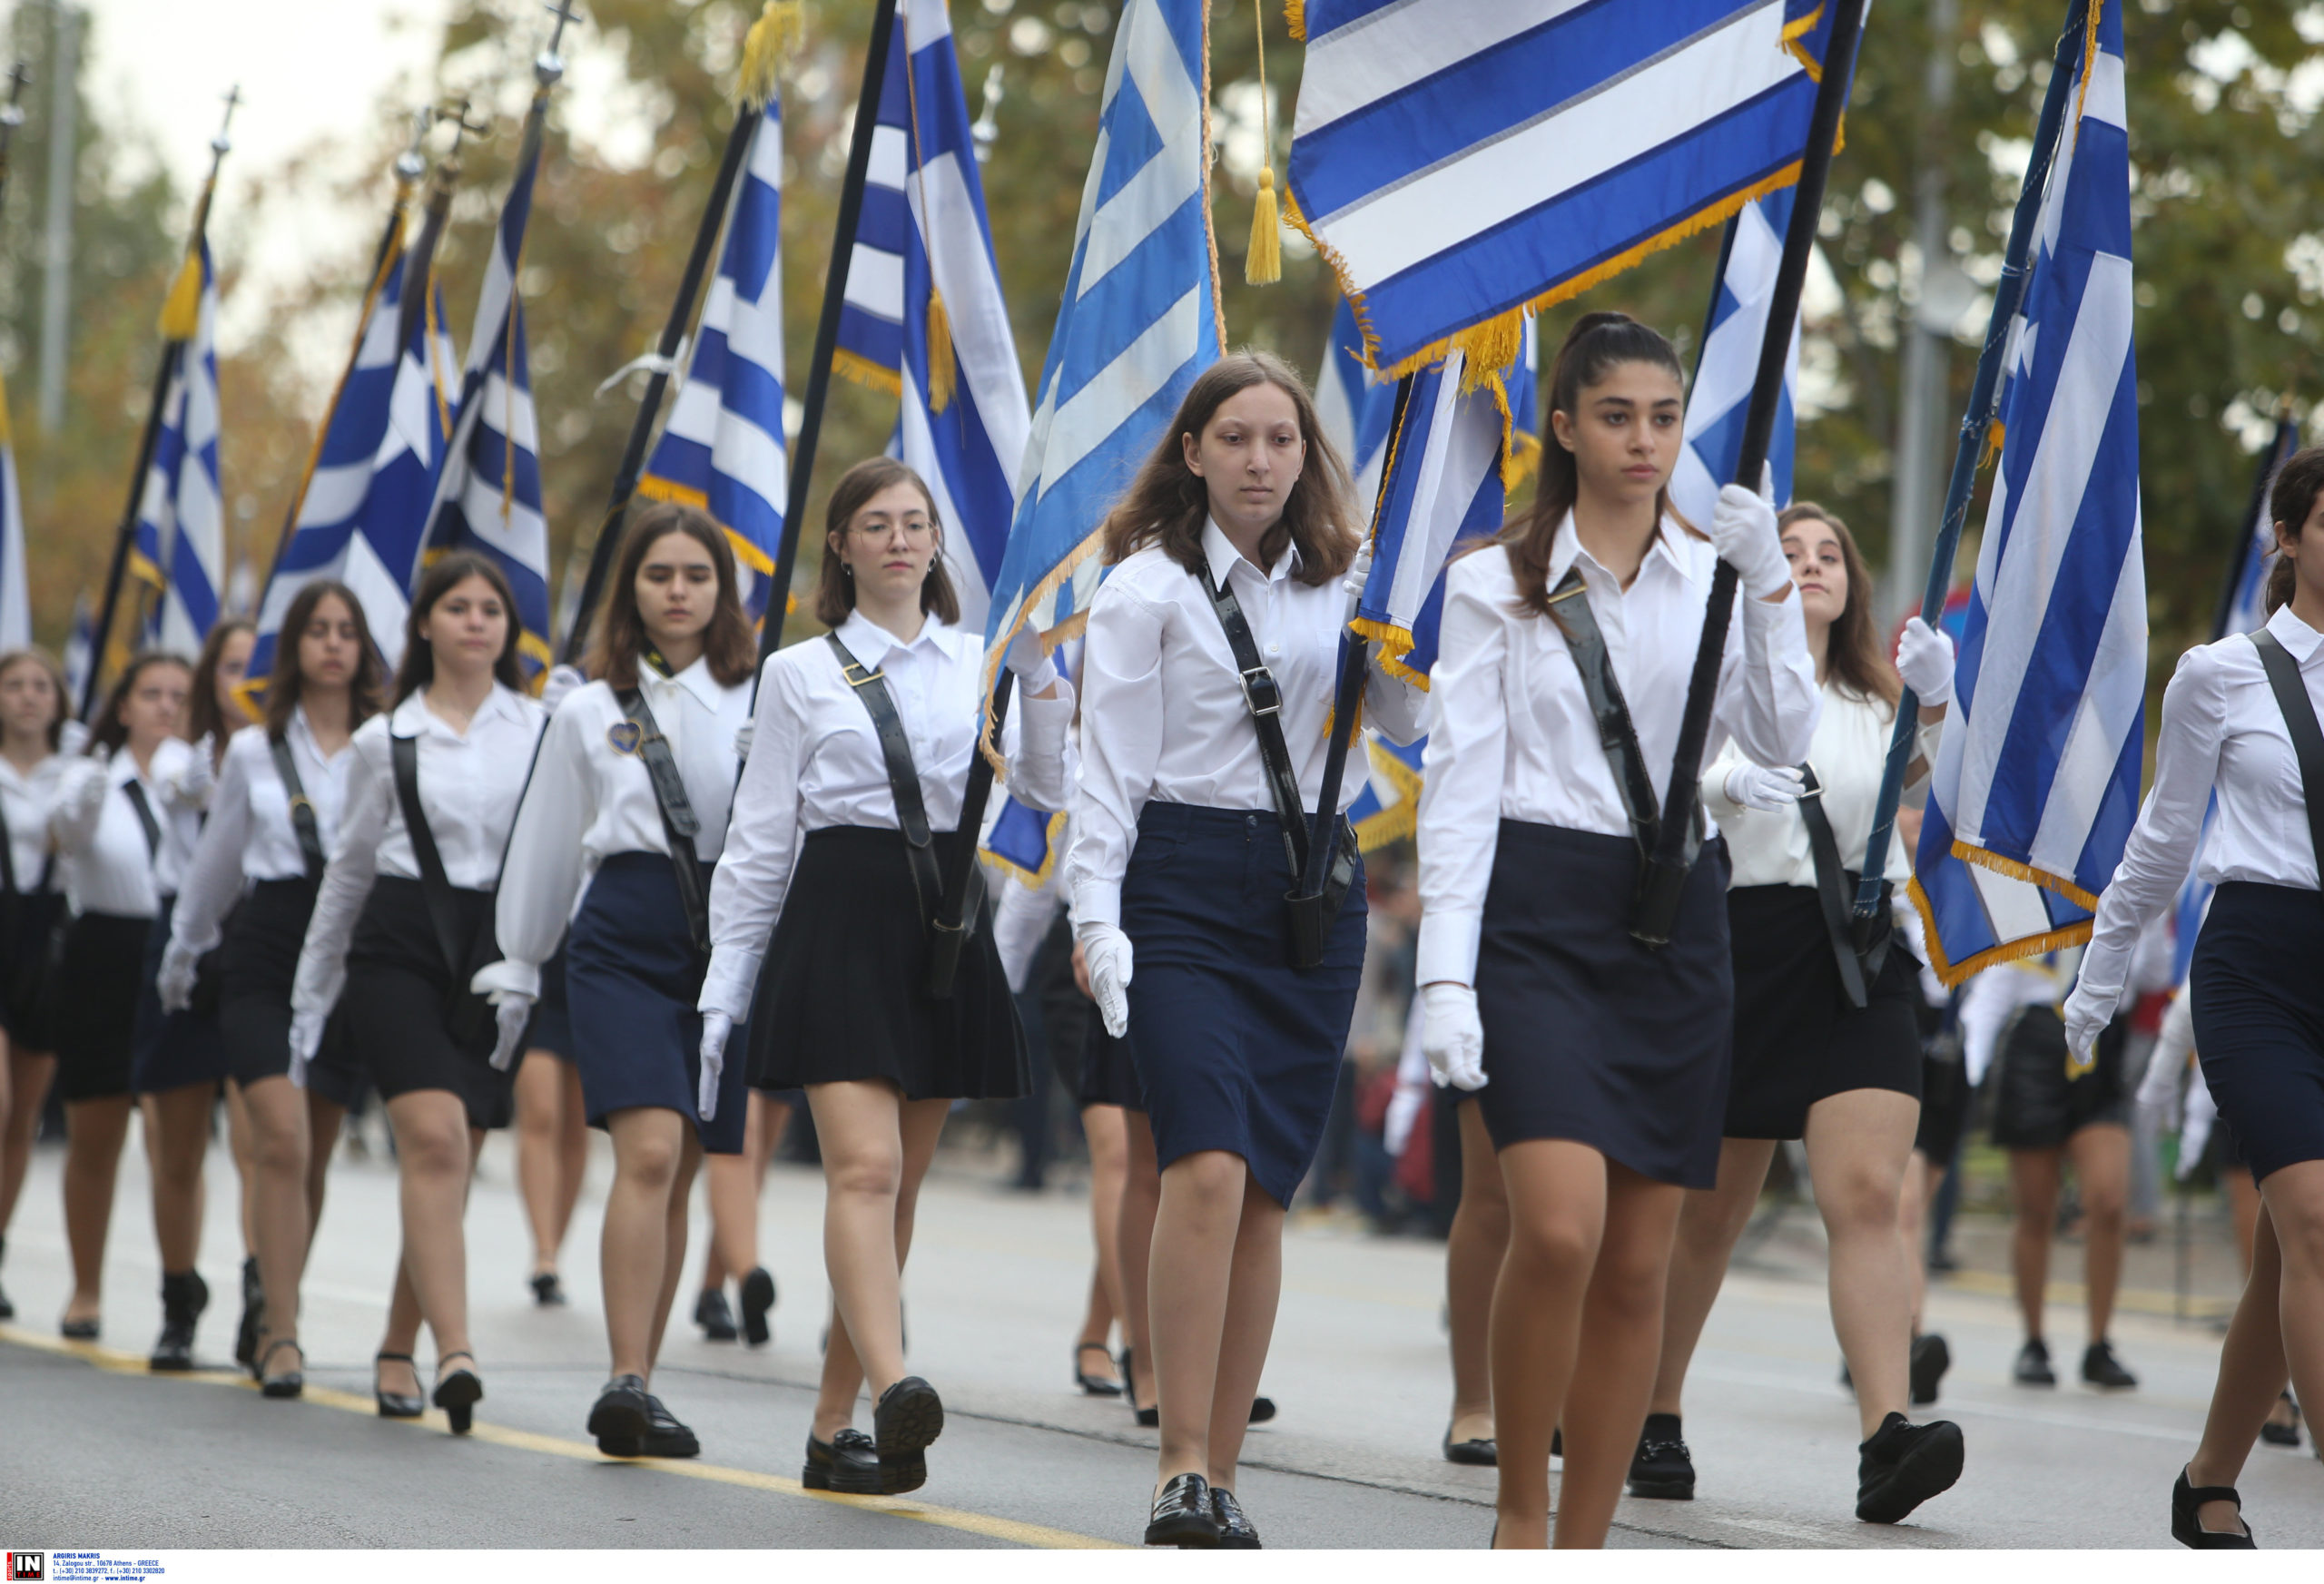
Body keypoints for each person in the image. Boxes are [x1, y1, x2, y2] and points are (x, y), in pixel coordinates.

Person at [1414, 312, 1819, 1549]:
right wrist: (1445, 971)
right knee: (1555, 1225)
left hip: (1673, 919)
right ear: (1563, 427)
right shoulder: (1497, 582)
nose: (1643, 440)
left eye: (1662, 415)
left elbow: (1783, 738)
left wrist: (1767, 586)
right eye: (1615, 415)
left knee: (1639, 1265)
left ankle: (1582, 1545)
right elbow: (1461, 782)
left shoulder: (1716, 576)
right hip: (1536, 913)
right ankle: (1518, 1518)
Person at [1068, 350, 1423, 1550]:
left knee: (1267, 1183)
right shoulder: (1145, 589)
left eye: (1281, 439)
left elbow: (1415, 728)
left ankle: (1223, 1467)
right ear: (1193, 452)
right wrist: (1094, 914)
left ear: (1306, 454)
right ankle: (1175, 1460)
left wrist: (1407, 639)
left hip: (1313, 891)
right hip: (1178, 881)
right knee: (1204, 1165)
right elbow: (1106, 769)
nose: (1261, 461)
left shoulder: (1353, 581)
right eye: (1236, 439)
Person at [700, 456, 1071, 1497]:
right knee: (862, 1171)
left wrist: (1038, 674)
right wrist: (728, 980)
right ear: (842, 545)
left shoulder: (980, 656)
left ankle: (832, 1428)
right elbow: (762, 834)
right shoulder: (798, 672)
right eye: (877, 522)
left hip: (945, 919)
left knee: (893, 1188)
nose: (901, 538)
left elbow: (1046, 786)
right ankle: (895, 1380)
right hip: (839, 916)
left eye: (916, 522)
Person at [1633, 501, 1965, 1521]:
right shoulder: (1720, 680)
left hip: (1858, 959)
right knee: (1710, 1213)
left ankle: (1884, 1435)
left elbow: (1912, 779)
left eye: (1828, 554)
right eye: (1789, 553)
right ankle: (1656, 1406)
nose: (1812, 566)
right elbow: (1656, 779)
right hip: (1740, 946)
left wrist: (1939, 707)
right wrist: (1723, 774)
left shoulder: (1876, 695)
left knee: (1866, 1195)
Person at [2064, 445, 2324, 1544]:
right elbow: (2164, 839)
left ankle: (2210, 1473)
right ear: (2289, 537)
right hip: (2255, 963)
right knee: (2313, 1215)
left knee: (2289, 1249)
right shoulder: (2221, 670)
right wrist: (2099, 975)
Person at [479, 503, 760, 1459]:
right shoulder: (588, 707)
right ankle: (625, 1375)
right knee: (647, 1150)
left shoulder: (765, 695)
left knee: (681, 1162)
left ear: (724, 589)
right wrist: (520, 959)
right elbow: (548, 840)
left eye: (695, 573)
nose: (677, 590)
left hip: (727, 937)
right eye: (657, 574)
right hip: (621, 937)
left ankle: (646, 1380)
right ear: (629, 589)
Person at [290, 554, 547, 1429]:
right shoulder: (382, 739)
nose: (476, 621)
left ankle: (399, 1344)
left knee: (454, 1162)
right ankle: (458, 1349)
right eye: (457, 606)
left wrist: (534, 961)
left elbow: (557, 858)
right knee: (434, 1142)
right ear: (426, 624)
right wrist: (310, 991)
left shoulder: (545, 729)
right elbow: (348, 872)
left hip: (498, 953)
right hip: (397, 947)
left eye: (490, 609)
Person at [160, 583, 377, 1396]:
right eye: (317, 630)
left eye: (346, 631)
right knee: (278, 1139)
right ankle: (282, 1333)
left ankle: (274, 1303)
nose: (331, 644)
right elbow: (215, 870)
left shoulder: (386, 741)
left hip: (348, 951)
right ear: (294, 647)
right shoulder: (253, 749)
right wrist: (181, 956)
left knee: (312, 1151)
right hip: (267, 948)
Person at [47, 653, 195, 1342]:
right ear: (125, 704)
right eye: (152, 693)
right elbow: (66, 838)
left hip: (178, 950)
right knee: (97, 1133)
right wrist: (85, 792)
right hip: (106, 953)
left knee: (179, 1139)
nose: (167, 706)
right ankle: (86, 1287)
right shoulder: (92, 772)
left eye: (180, 696)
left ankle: (178, 1295)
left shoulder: (204, 776)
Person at [1958, 946, 2140, 1392]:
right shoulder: (2032, 884)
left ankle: (2099, 1344)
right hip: (2037, 1039)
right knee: (2036, 1210)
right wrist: (1971, 1068)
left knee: (2108, 1200)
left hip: (2102, 1033)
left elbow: (2157, 967)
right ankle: (2034, 1341)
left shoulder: (2124, 876)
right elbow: (1996, 984)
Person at [0, 650, 74, 1324]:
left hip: (45, 943)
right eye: (14, 684)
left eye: (40, 685)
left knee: (22, 1112)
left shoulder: (74, 770)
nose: (27, 697)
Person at [511, 953, 586, 1309]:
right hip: (537, 971)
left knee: (576, 1126)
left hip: (593, 971)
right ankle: (544, 1253)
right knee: (541, 1114)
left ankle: (554, 1248)